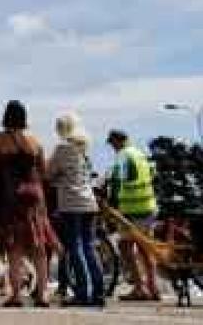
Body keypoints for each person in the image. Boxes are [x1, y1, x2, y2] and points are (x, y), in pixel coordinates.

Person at [0, 100, 59, 307]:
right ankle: (43, 294)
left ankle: (16, 295)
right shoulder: (35, 142)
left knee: (14, 247)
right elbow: (44, 172)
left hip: (9, 199)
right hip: (34, 198)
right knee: (39, 247)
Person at [47, 113, 105, 307]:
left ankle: (82, 292)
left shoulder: (62, 148)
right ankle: (99, 292)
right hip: (89, 203)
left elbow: (49, 173)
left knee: (75, 247)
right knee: (89, 246)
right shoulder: (84, 148)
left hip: (71, 203)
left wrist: (57, 180)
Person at [106, 129, 160, 302]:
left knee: (125, 247)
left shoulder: (123, 156)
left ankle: (139, 288)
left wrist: (111, 204)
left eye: (112, 143)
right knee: (146, 249)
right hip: (149, 206)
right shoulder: (139, 154)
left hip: (132, 209)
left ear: (117, 141)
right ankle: (153, 287)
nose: (112, 147)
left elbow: (117, 183)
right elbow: (152, 176)